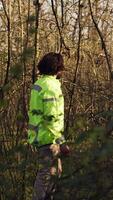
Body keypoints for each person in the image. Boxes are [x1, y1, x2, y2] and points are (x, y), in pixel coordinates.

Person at [28, 52, 69, 200]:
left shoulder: (38, 84)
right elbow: (51, 117)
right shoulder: (51, 86)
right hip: (49, 139)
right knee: (46, 176)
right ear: (57, 68)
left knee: (54, 174)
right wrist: (61, 142)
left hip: (40, 137)